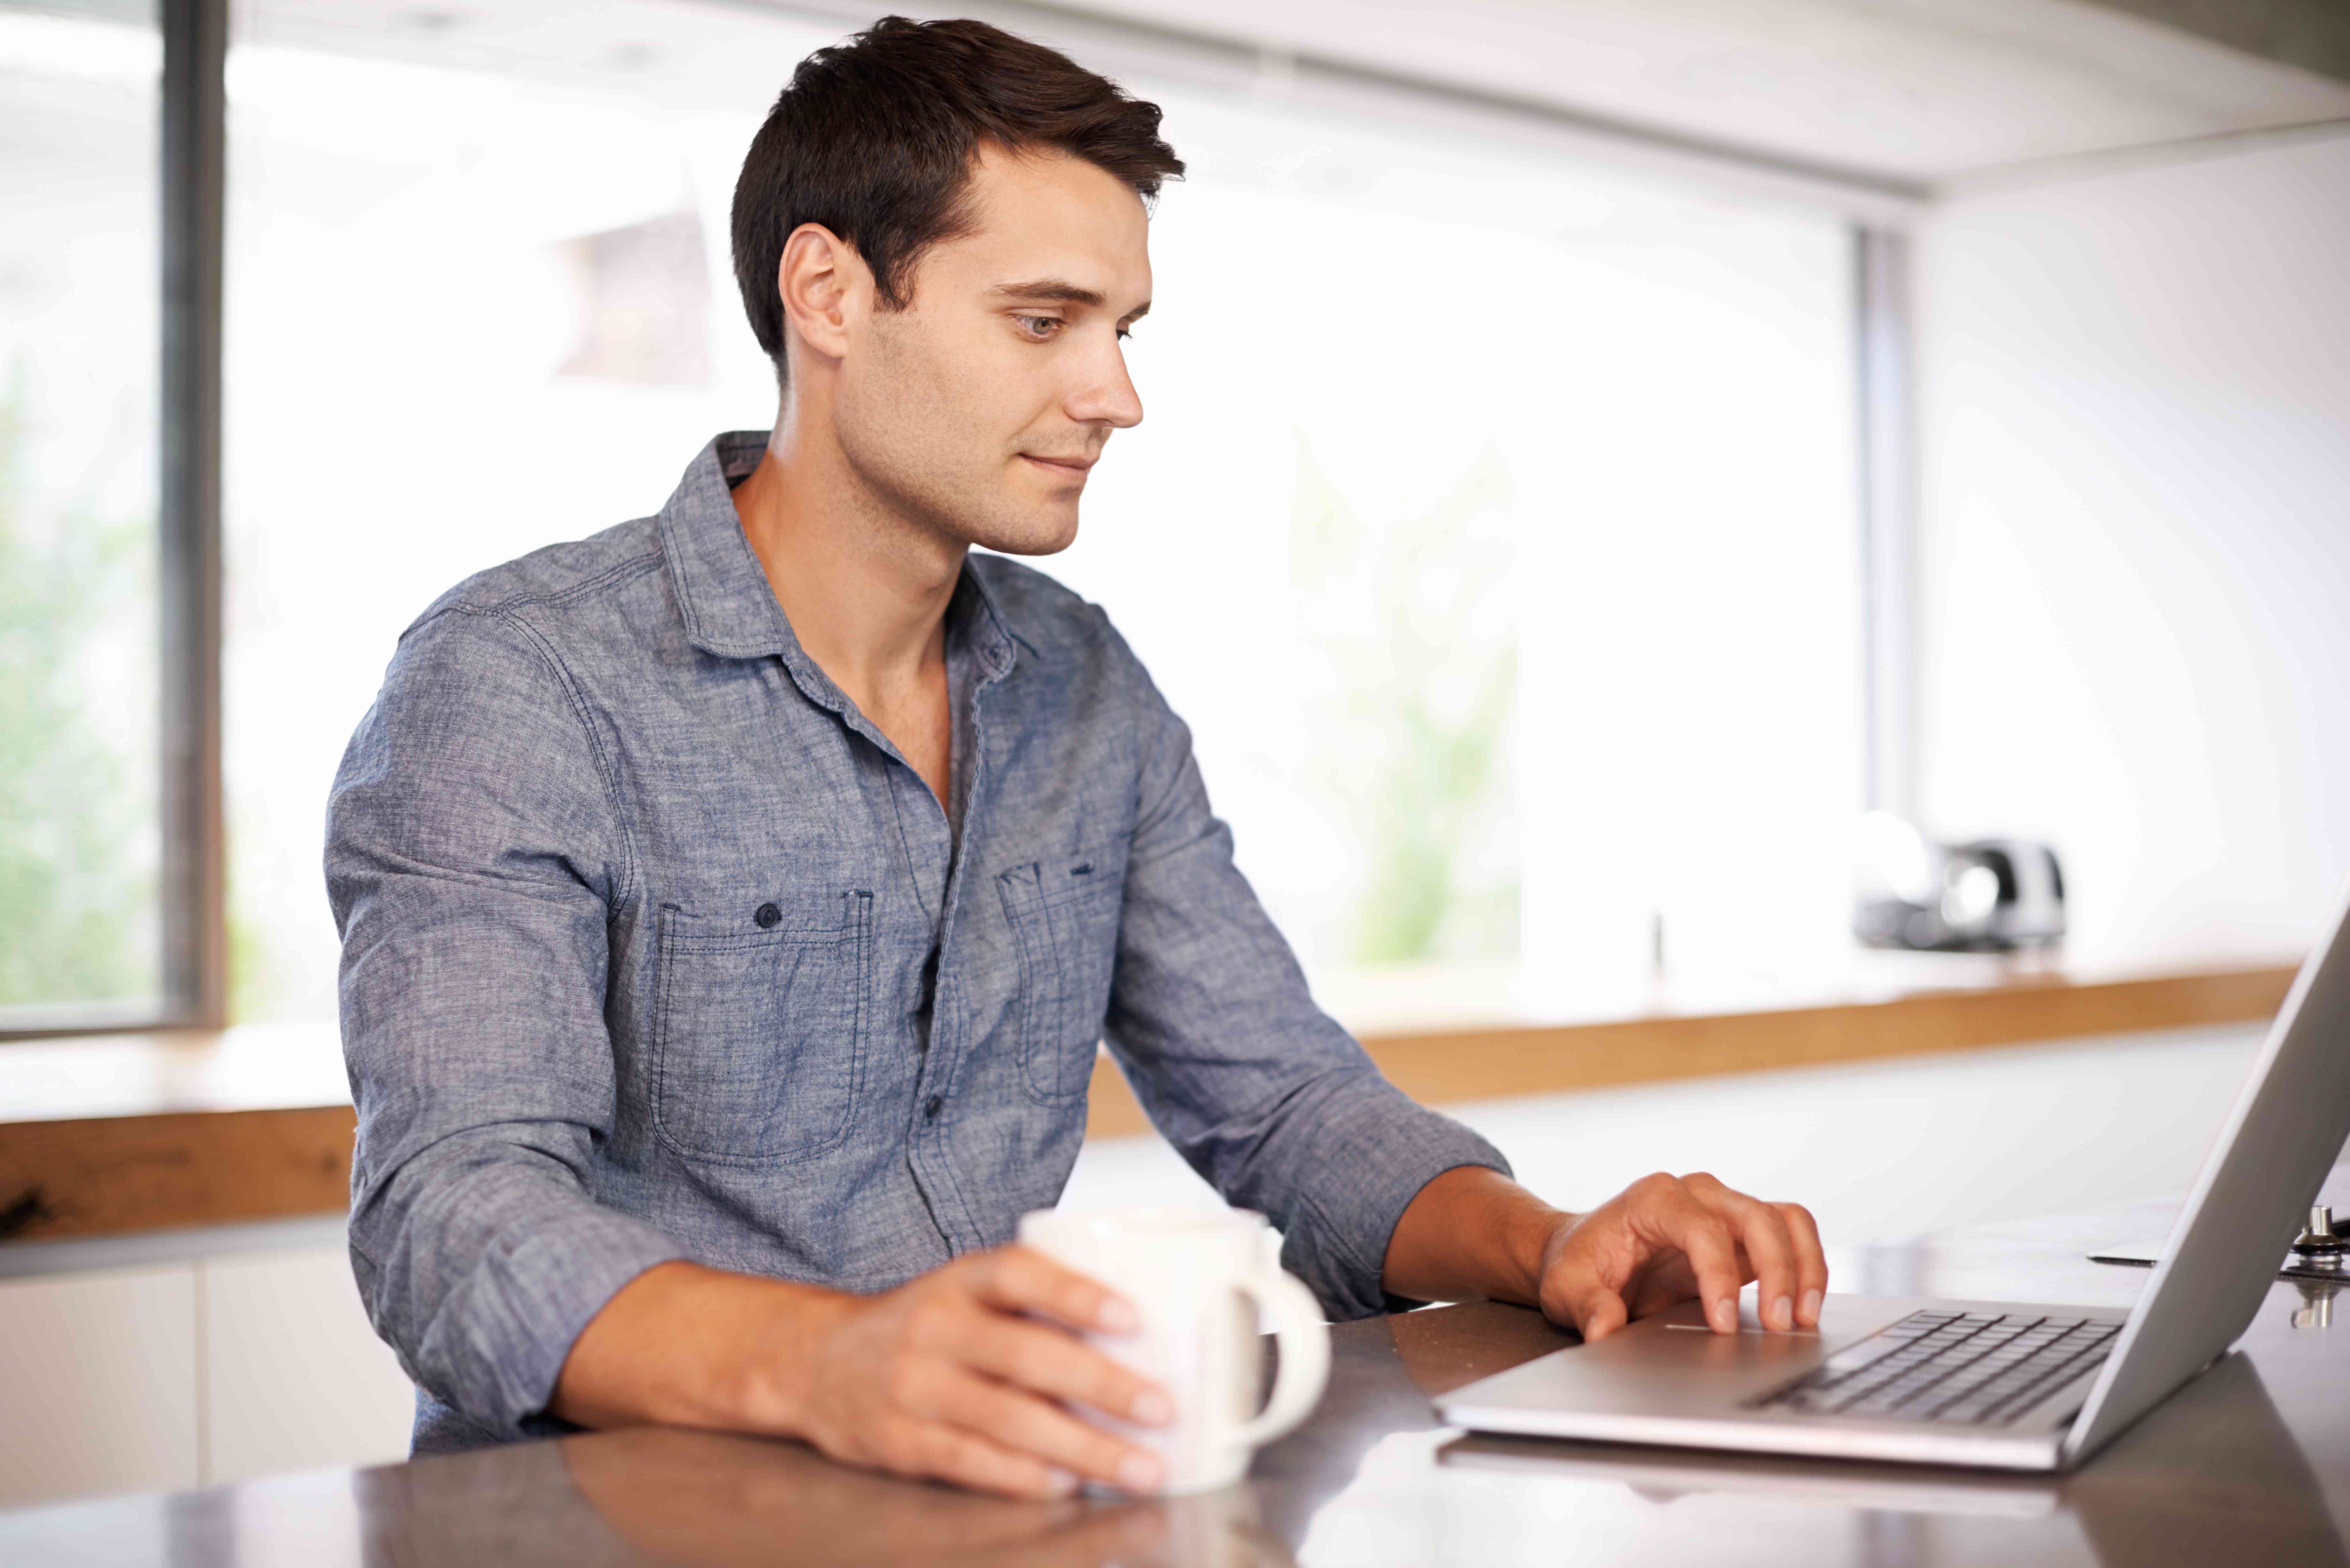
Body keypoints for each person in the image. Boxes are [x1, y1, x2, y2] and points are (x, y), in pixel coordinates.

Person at [326, 14, 1828, 1502]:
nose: (1115, 395)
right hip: (619, 1527)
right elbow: (453, 1216)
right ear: (830, 293)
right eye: (1045, 323)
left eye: (1121, 331)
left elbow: (1290, 1106)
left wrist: (1547, 1240)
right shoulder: (519, 680)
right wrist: (831, 1363)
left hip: (991, 1505)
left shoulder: (1085, 686)